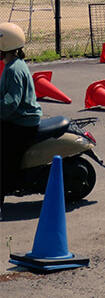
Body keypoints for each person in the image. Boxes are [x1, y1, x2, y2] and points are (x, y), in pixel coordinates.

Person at [1, 22, 43, 206]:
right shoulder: (13, 65)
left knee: (4, 158)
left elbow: (11, 103)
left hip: (22, 122)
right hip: (18, 118)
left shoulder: (13, 70)